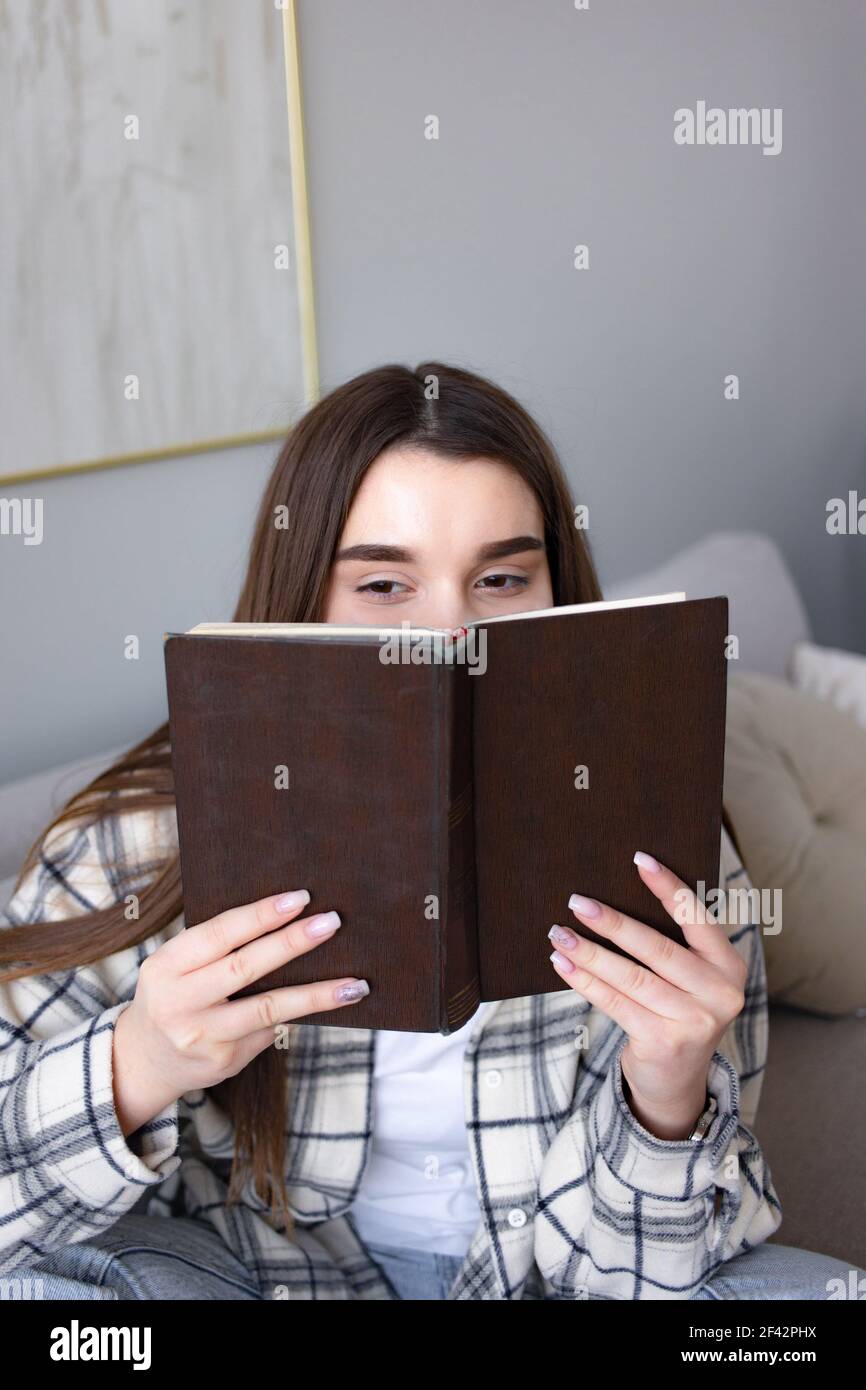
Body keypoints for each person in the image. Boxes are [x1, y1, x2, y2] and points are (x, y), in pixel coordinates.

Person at [0, 362, 860, 1302]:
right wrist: (142, 1062)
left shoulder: (660, 835)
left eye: (500, 577)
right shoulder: (131, 844)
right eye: (382, 583)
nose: (447, 635)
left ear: (556, 597)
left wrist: (668, 1093)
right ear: (302, 599)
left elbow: (648, 1275)